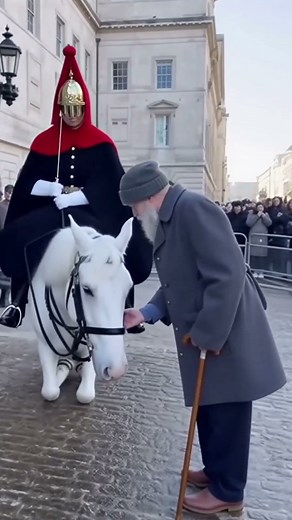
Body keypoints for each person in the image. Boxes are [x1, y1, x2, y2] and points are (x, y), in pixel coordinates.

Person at [119, 161, 286, 516]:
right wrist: (145, 313)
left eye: (133, 206)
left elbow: (226, 276)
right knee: (208, 407)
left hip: (226, 331)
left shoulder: (194, 209)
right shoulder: (171, 217)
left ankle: (229, 491)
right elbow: (178, 282)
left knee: (228, 411)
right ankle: (216, 473)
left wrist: (209, 334)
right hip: (210, 332)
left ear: (148, 197)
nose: (134, 215)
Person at [0, 46, 152, 329]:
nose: (71, 116)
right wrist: (49, 189)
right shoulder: (45, 140)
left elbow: (111, 184)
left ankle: (125, 305)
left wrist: (79, 197)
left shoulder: (102, 141)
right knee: (25, 234)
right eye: (66, 110)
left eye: (76, 110)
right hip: (51, 210)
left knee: (114, 241)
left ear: (85, 108)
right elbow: (26, 183)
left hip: (88, 212)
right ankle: (18, 302)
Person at [246, 202, 272, 278]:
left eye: (261, 207)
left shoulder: (266, 214)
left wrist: (264, 216)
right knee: (253, 254)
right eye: (259, 207)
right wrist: (257, 216)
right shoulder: (251, 214)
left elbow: (269, 223)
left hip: (262, 237)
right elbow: (248, 223)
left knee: (261, 255)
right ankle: (253, 270)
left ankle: (260, 271)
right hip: (254, 237)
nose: (260, 209)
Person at [0, 185, 14, 307]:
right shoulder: (0, 206)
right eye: (7, 192)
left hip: (10, 240)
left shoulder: (15, 208)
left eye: (11, 192)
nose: (9, 194)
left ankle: (4, 298)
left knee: (7, 270)